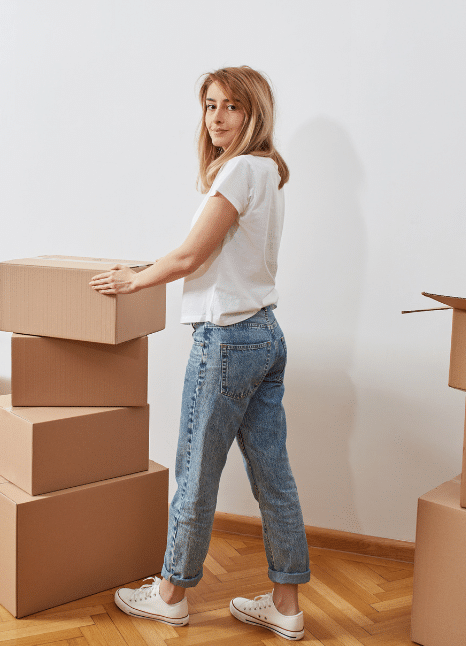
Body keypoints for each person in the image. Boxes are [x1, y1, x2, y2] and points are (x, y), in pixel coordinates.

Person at [89, 65, 310, 641]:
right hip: (265, 334)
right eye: (210, 106)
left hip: (227, 341)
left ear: (254, 112)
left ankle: (169, 595)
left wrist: (131, 281)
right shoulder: (268, 172)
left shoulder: (240, 170)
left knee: (194, 471)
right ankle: (286, 605)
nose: (217, 118)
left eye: (231, 107)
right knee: (274, 477)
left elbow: (190, 257)